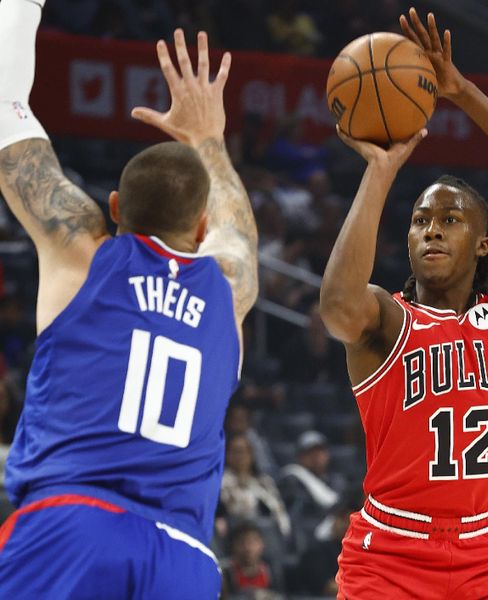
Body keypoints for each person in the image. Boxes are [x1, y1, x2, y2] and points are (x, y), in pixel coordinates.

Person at [0, 5, 258, 596]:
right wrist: (209, 138)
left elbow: (5, 112)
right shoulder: (227, 290)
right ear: (199, 229)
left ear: (114, 209)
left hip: (71, 526)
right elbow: (239, 234)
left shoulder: (84, 256)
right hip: (185, 559)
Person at [318, 7, 488, 598]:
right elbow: (336, 305)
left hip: (484, 556)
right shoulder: (388, 320)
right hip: (389, 556)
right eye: (420, 221)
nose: (431, 230)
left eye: (450, 219)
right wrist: (381, 172)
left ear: (482, 241)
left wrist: (464, 93)